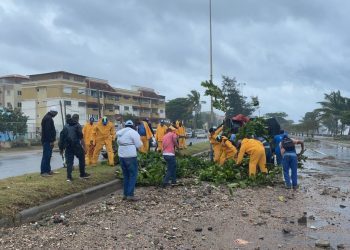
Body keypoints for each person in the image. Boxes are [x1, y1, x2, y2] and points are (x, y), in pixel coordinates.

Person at [59, 114, 90, 182]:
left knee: (69, 162)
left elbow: (61, 138)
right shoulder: (77, 125)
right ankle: (82, 174)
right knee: (81, 157)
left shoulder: (66, 126)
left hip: (68, 146)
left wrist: (61, 149)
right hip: (76, 145)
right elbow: (81, 138)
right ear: (77, 119)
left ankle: (69, 177)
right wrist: (84, 148)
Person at [117, 120, 143, 201]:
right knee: (132, 175)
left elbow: (118, 143)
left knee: (126, 175)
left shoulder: (120, 133)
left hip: (121, 156)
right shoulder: (133, 132)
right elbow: (139, 145)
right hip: (130, 156)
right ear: (132, 126)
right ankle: (130, 195)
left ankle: (125, 194)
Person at [40, 107, 58, 177]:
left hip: (48, 140)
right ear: (53, 112)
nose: (56, 115)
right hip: (47, 141)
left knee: (49, 156)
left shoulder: (48, 117)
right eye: (56, 113)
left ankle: (48, 170)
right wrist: (51, 141)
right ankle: (44, 172)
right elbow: (47, 131)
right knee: (46, 156)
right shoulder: (48, 118)